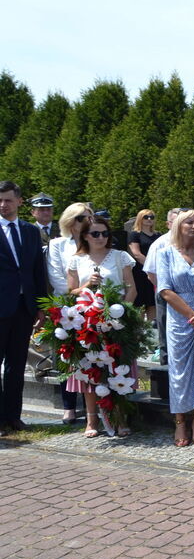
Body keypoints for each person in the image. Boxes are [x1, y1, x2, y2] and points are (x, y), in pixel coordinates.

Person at [65, 215, 136, 438]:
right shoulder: (77, 259)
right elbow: (72, 291)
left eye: (105, 233)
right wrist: (88, 285)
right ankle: (91, 419)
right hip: (87, 322)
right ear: (85, 235)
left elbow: (131, 288)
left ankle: (120, 416)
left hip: (115, 320)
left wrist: (123, 312)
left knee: (118, 369)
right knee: (90, 371)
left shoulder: (119, 256)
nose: (101, 238)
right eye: (95, 233)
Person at [157, 209, 194, 447]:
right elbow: (165, 290)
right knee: (180, 371)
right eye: (189, 222)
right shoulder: (165, 253)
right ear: (178, 225)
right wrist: (192, 317)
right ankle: (179, 420)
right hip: (180, 318)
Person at [0, 181, 47, 436]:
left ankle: (13, 417)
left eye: (7, 200)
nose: (3, 205)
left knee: (17, 365)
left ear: (19, 201)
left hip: (23, 307)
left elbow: (37, 270)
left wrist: (40, 306)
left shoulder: (30, 232)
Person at [46, 202, 93, 424]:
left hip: (93, 305)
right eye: (83, 218)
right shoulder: (57, 245)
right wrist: (82, 289)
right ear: (71, 222)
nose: (88, 222)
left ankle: (94, 406)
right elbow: (57, 278)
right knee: (68, 355)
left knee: (93, 355)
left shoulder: (96, 241)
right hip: (67, 306)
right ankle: (69, 406)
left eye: (90, 217)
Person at [144, 208, 183, 365]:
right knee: (166, 331)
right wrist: (166, 292)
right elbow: (151, 272)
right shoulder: (160, 244)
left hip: (189, 295)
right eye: (176, 222)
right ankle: (166, 362)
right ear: (168, 224)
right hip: (166, 294)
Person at [127, 209, 159, 321]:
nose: (149, 219)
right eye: (146, 217)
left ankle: (151, 330)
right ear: (140, 218)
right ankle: (140, 331)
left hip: (156, 273)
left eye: (152, 217)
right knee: (140, 303)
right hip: (140, 273)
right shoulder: (135, 234)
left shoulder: (158, 235)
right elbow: (136, 254)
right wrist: (151, 268)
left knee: (152, 302)